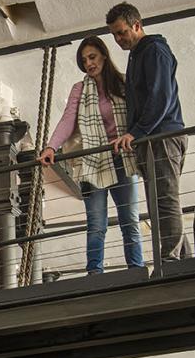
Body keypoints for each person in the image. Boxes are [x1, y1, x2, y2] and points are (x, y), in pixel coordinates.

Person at [39, 36, 145, 274]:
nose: (89, 63)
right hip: (93, 161)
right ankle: (95, 273)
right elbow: (68, 120)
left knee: (129, 218)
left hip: (122, 158)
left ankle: (136, 269)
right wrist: (50, 147)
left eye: (92, 57)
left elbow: (137, 116)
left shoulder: (123, 83)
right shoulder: (80, 89)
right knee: (97, 223)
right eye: (84, 60)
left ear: (104, 56)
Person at [106, 2, 188, 261]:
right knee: (160, 199)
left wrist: (136, 132)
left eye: (121, 32)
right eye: (115, 35)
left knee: (163, 198)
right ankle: (182, 257)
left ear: (137, 25)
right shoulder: (138, 55)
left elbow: (159, 97)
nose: (118, 39)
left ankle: (171, 259)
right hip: (152, 138)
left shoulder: (153, 51)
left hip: (162, 136)